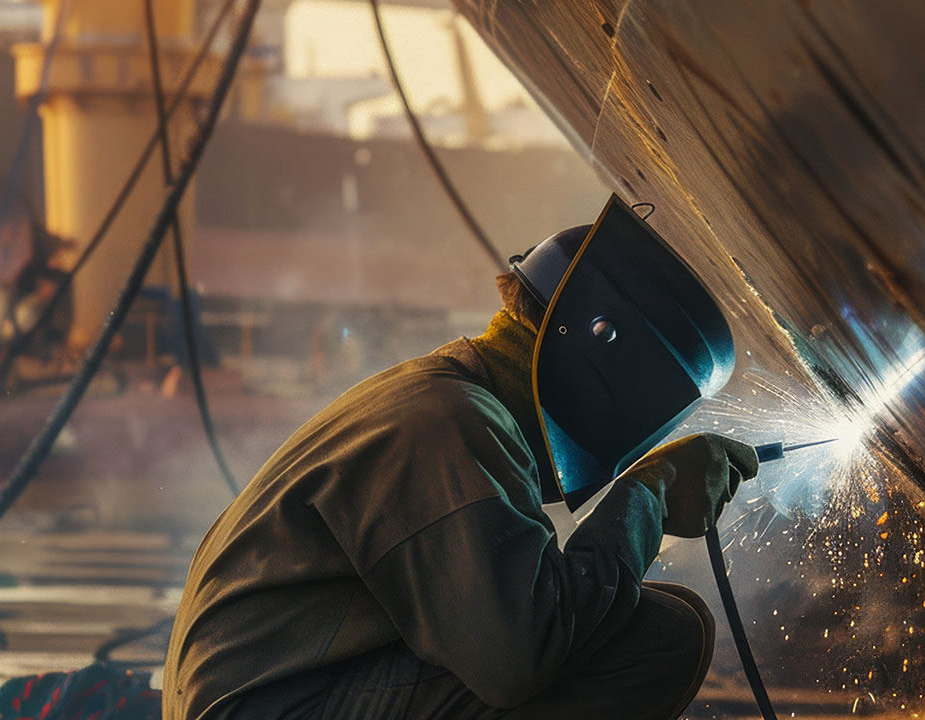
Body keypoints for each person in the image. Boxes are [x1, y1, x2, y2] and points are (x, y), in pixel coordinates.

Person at [162, 196, 756, 719]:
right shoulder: (450, 425)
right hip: (276, 706)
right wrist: (648, 495)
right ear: (601, 354)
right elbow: (515, 657)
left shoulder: (449, 397)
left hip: (285, 694)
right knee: (657, 641)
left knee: (641, 619)